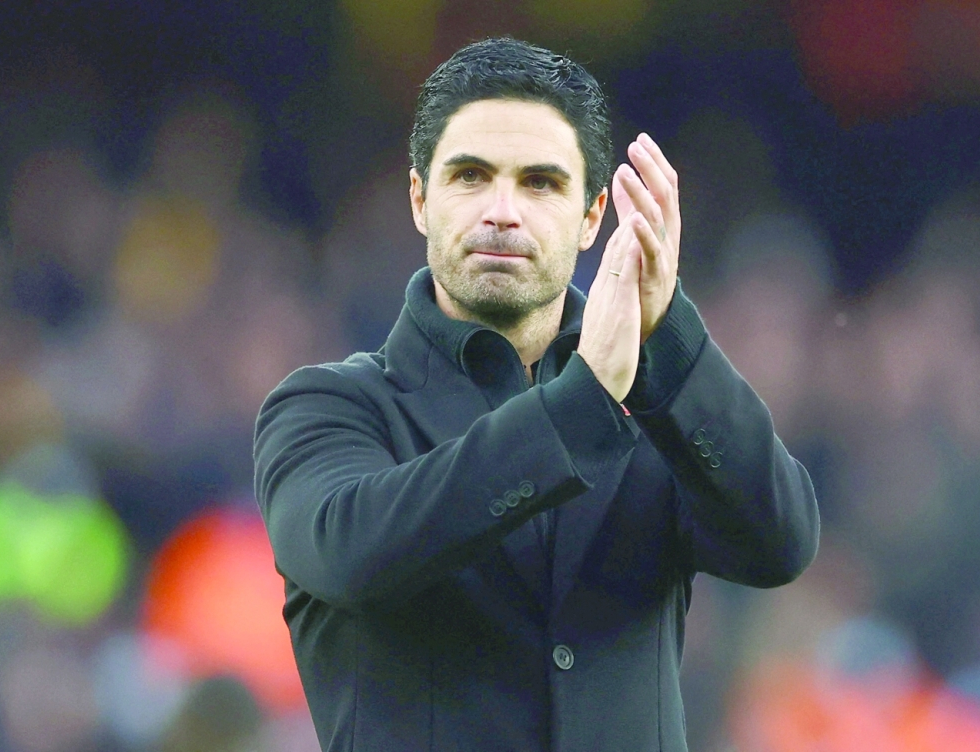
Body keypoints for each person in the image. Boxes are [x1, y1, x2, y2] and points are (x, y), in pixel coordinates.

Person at [254, 37, 819, 752]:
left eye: (541, 183)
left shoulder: (660, 407)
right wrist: (585, 403)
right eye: (470, 176)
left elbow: (778, 544)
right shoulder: (328, 407)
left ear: (593, 217)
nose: (502, 211)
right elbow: (351, 553)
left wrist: (670, 337)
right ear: (420, 200)